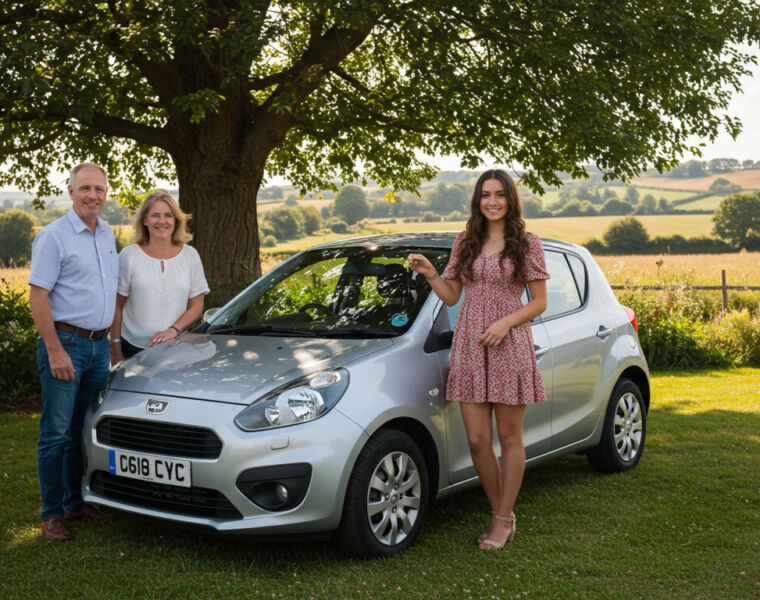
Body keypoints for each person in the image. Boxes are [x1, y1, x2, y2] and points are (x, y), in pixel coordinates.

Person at [408, 169, 549, 550]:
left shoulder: (527, 243)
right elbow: (452, 296)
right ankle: (502, 511)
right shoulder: (465, 240)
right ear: (477, 199)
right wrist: (431, 274)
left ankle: (501, 520)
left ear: (510, 199)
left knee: (508, 436)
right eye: (485, 194)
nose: (492, 201)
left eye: (499, 194)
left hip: (509, 343)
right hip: (470, 345)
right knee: (477, 439)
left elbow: (539, 301)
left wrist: (505, 323)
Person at [29, 162, 117, 541]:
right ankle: (52, 514)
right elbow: (38, 296)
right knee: (56, 433)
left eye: (99, 189)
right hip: (66, 345)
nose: (93, 195)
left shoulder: (107, 233)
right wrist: (54, 350)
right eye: (85, 189)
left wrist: (111, 345)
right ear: (70, 191)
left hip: (98, 347)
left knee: (81, 429)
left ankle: (75, 502)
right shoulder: (54, 237)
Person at [109, 190, 209, 365]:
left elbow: (196, 306)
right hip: (131, 349)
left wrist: (172, 330)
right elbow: (116, 306)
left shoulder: (190, 255)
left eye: (168, 215)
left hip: (176, 347)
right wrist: (115, 350)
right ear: (145, 220)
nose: (162, 221)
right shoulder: (129, 255)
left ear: (175, 220)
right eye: (155, 215)